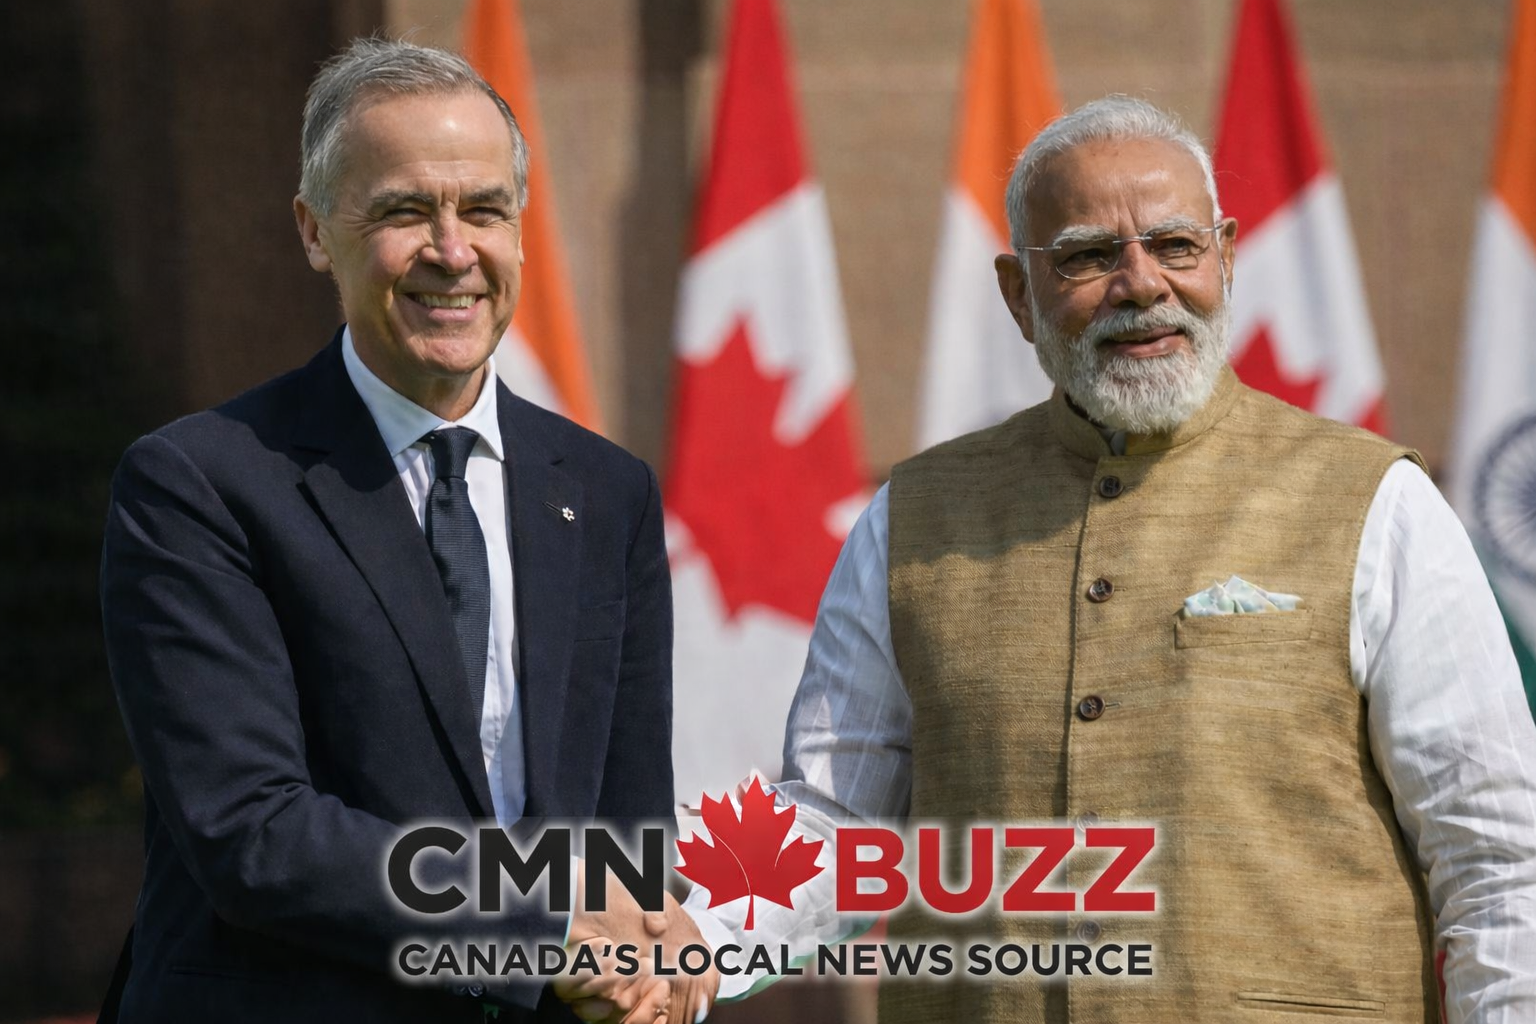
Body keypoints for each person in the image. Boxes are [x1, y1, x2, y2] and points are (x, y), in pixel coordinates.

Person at [679, 97, 1536, 1024]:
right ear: (1018, 294)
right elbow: (834, 825)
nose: (1141, 284)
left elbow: (1499, 862)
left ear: (1226, 258)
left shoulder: (1378, 504)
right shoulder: (913, 520)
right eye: (1088, 257)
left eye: (1176, 246)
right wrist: (687, 948)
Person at [100, 38, 711, 1024]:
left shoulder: (608, 493)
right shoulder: (198, 484)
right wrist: (539, 932)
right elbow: (251, 829)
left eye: (485, 210)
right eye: (403, 211)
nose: (452, 251)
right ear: (314, 232)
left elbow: (622, 819)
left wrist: (651, 935)